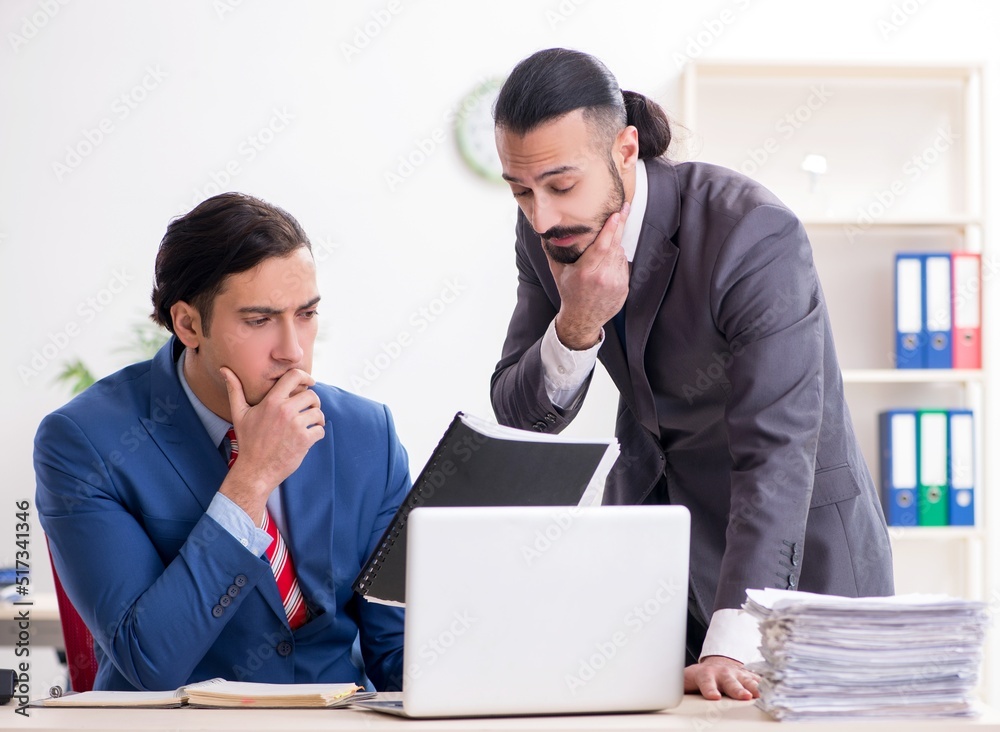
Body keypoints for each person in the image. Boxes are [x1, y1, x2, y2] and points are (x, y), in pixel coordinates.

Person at [490, 48, 894, 701]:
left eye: (561, 186)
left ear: (625, 150)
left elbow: (776, 451)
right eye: (520, 190)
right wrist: (577, 325)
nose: (542, 216)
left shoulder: (752, 233)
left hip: (799, 560)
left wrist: (732, 642)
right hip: (659, 553)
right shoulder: (543, 231)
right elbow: (522, 414)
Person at [35, 193, 409, 691]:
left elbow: (400, 654)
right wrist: (251, 479)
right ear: (189, 324)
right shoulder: (85, 443)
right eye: (259, 321)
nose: (293, 351)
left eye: (306, 314)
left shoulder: (368, 434)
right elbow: (148, 663)